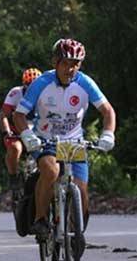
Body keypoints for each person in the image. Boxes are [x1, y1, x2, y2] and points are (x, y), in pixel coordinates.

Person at [14, 38, 116, 241]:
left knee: (82, 190)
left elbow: (108, 111)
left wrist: (108, 134)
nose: (70, 69)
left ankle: (73, 231)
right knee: (51, 171)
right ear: (55, 62)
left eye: (75, 64)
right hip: (45, 140)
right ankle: (41, 219)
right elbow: (19, 115)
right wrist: (28, 136)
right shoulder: (41, 83)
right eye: (66, 64)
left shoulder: (85, 82)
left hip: (73, 142)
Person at [0, 67, 42, 200]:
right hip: (16, 130)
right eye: (28, 87)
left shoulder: (46, 94)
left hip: (37, 130)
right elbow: (4, 115)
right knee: (15, 148)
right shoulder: (15, 93)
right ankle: (14, 177)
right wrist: (6, 132)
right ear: (24, 85)